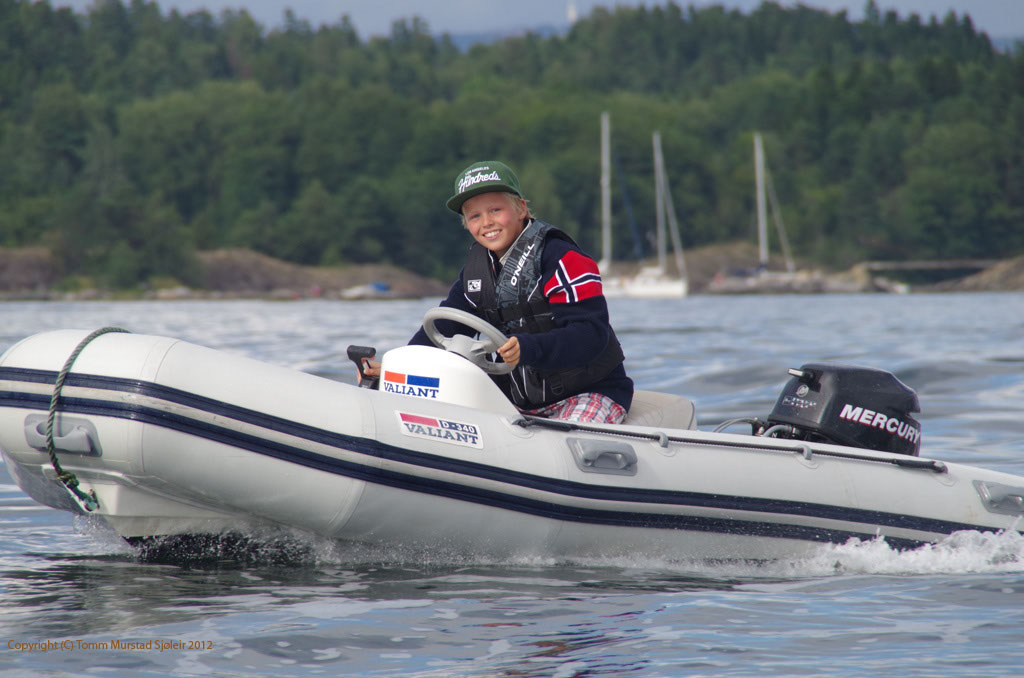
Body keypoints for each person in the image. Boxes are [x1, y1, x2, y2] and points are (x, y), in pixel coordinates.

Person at [362, 160, 633, 424]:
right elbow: (443, 327)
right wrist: (398, 367)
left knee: (568, 433)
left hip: (590, 392)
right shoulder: (475, 272)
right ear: (467, 224)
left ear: (521, 209)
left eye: (495, 210)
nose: (487, 222)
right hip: (516, 399)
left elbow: (590, 334)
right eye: (475, 216)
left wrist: (528, 348)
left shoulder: (563, 258)